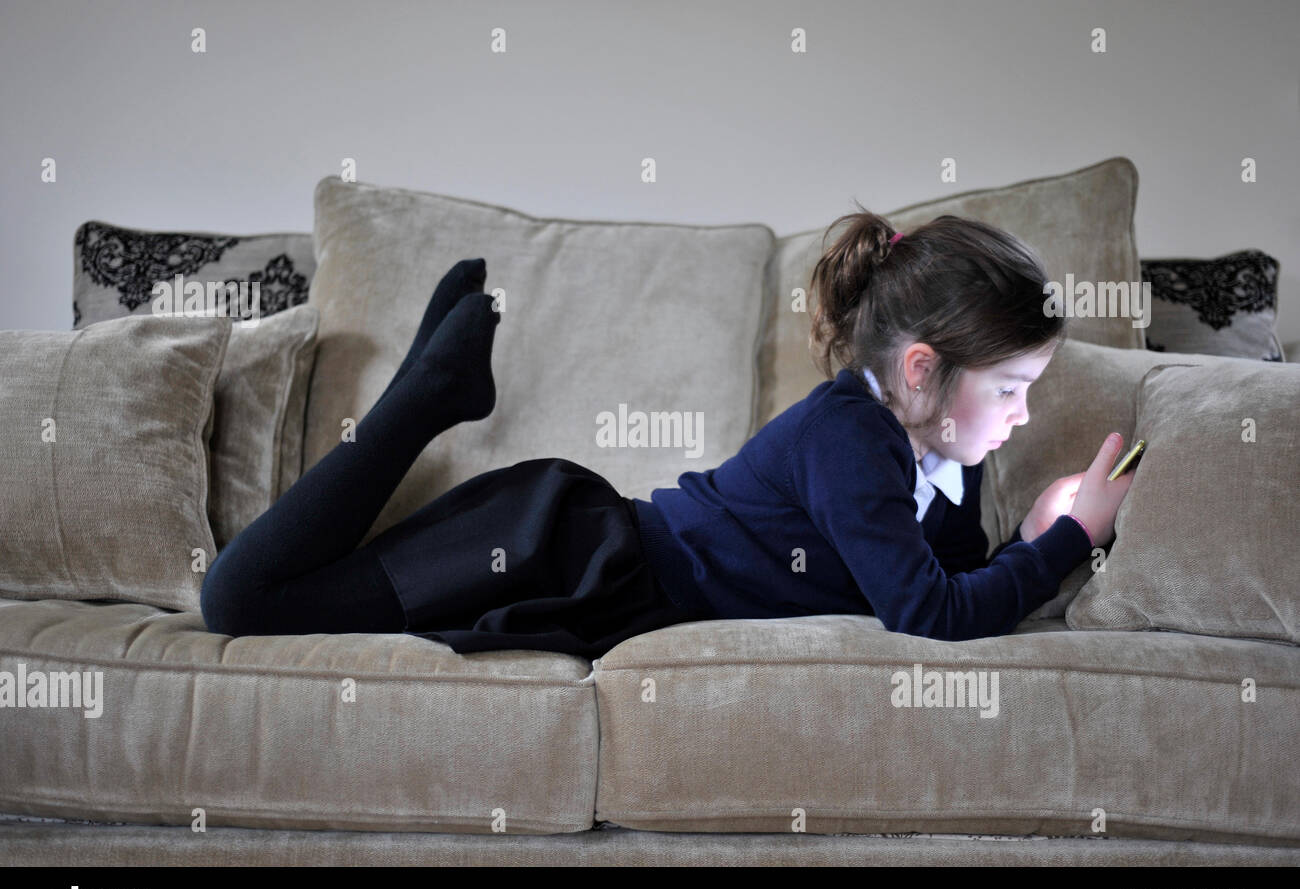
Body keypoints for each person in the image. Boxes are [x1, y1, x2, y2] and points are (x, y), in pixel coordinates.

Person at [200, 208, 1134, 657]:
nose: (1022, 417)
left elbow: (953, 584)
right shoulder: (854, 438)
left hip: (594, 574)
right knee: (242, 603)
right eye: (1011, 388)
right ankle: (429, 391)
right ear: (923, 370)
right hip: (554, 550)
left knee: (267, 604)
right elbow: (927, 615)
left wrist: (1035, 528)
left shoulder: (944, 458)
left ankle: (430, 382)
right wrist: (1064, 543)